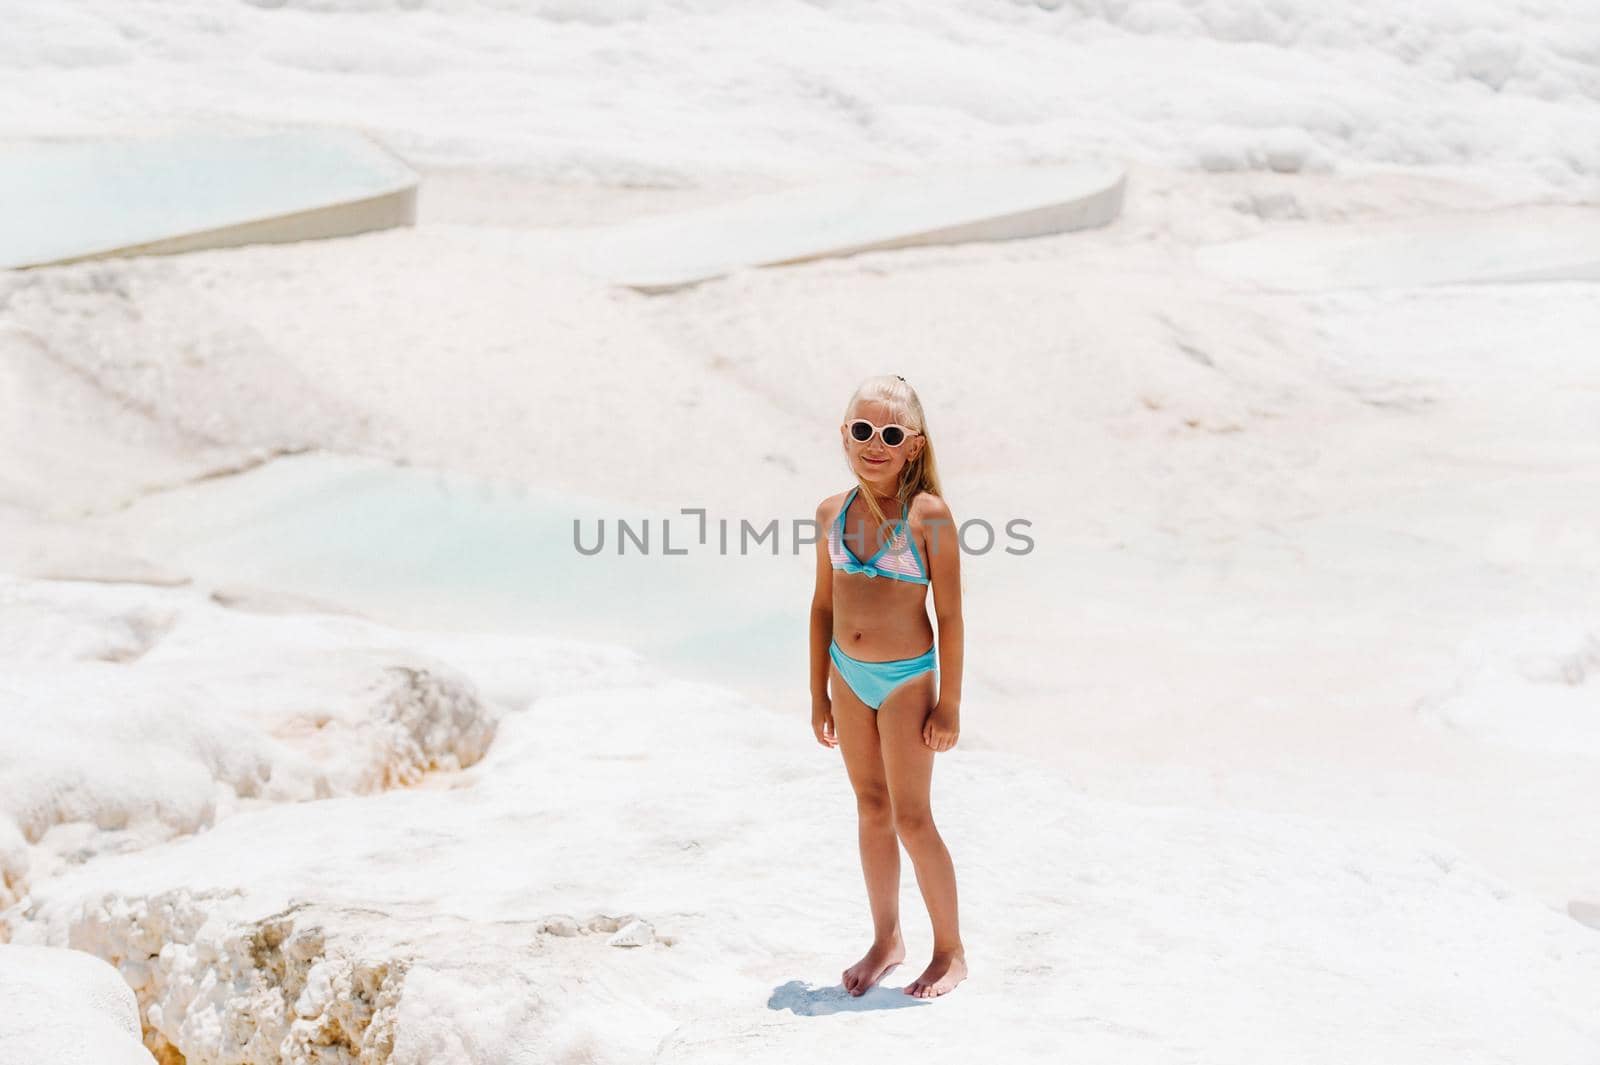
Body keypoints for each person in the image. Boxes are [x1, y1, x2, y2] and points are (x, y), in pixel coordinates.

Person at [810, 373, 967, 999]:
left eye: (891, 434)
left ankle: (951, 950)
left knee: (912, 815)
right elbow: (822, 609)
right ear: (844, 435)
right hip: (847, 679)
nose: (874, 444)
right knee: (870, 808)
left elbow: (951, 616)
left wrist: (949, 702)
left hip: (906, 681)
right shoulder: (831, 512)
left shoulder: (928, 516)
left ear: (915, 446)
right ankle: (886, 938)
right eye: (862, 430)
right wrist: (817, 692)